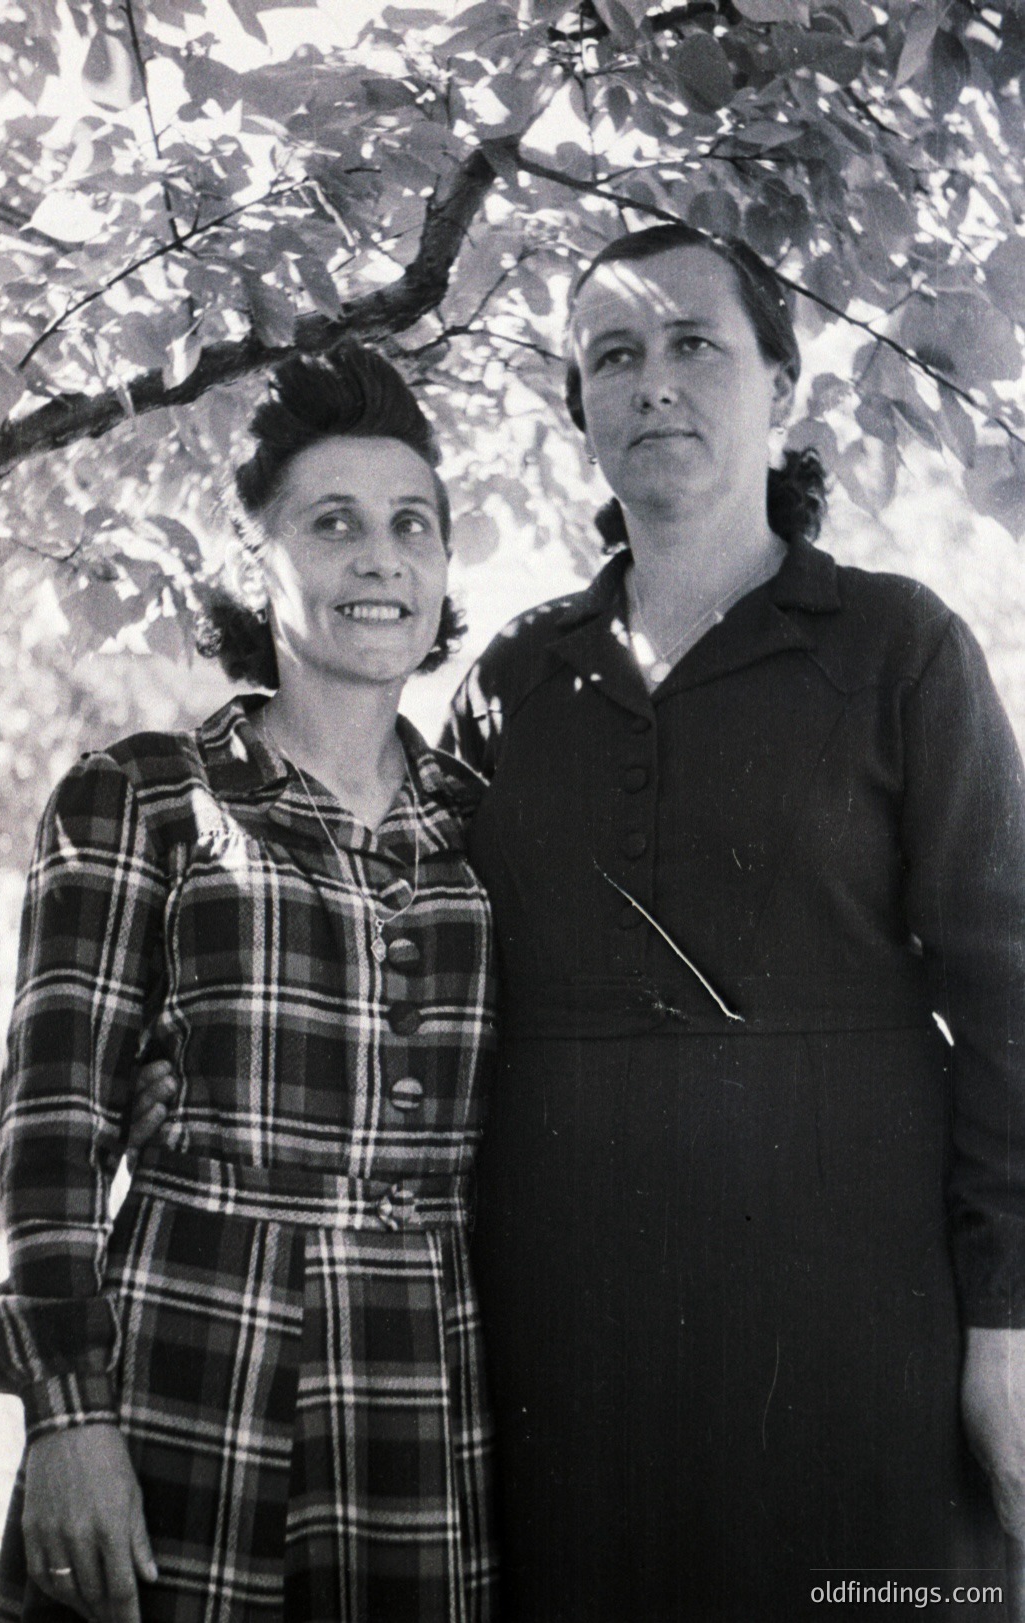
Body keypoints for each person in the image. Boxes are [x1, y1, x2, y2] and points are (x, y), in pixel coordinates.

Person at [437, 225, 1025, 1620]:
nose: (652, 384)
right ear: (576, 408)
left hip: (854, 1312)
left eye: (692, 343)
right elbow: (410, 962)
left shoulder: (896, 647)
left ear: (783, 382)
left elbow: (1009, 994)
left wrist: (1001, 1325)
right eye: (611, 356)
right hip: (565, 1322)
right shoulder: (513, 681)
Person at [0, 341, 499, 1623]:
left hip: (421, 1382)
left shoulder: (492, 832)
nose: (381, 557)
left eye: (411, 525)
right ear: (256, 565)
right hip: (188, 1352)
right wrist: (68, 1419)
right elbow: (51, 1140)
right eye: (333, 523)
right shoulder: (144, 795)